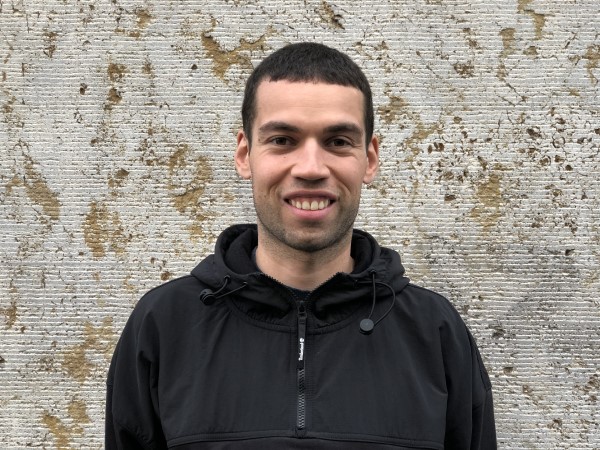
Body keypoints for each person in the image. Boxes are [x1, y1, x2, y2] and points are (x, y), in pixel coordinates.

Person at [105, 42, 497, 449]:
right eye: (282, 140)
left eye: (338, 141)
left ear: (370, 157)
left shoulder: (434, 333)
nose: (310, 168)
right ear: (245, 154)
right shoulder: (165, 326)